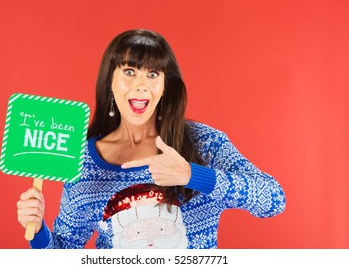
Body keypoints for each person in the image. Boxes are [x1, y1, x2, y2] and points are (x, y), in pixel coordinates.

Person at [17, 29, 286, 249]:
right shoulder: (83, 161)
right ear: (110, 81)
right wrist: (38, 230)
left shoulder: (206, 144)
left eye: (153, 74)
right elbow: (63, 254)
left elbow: (274, 200)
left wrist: (192, 175)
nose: (141, 84)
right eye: (130, 72)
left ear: (165, 86)